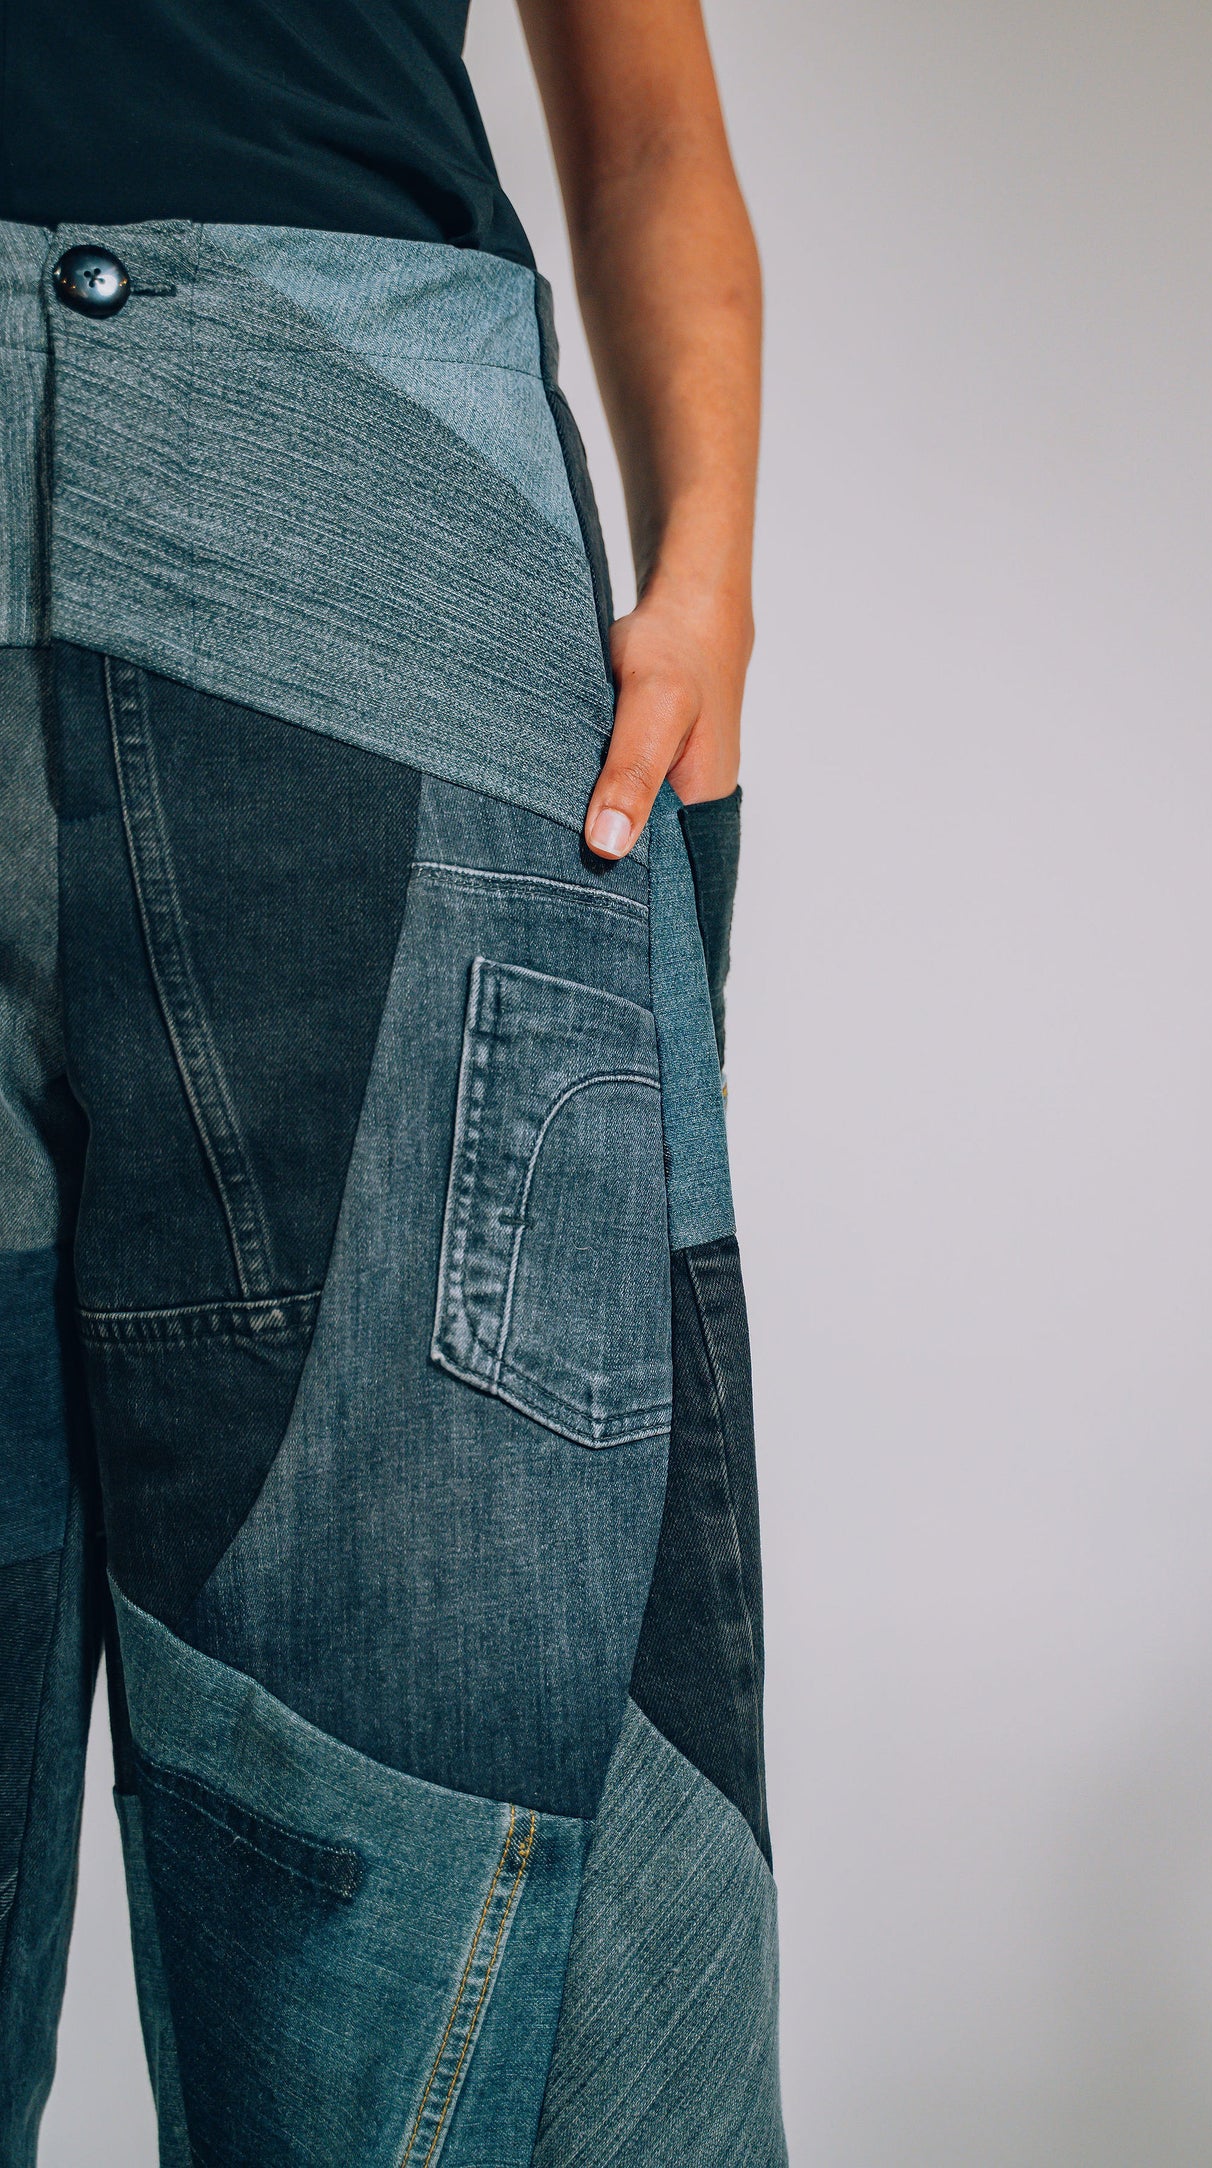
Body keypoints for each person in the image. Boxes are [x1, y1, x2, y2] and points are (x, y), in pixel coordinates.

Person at [0, 2, 782, 2161]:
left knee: (443, 1938)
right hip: (381, 569)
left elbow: (645, 120)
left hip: (362, 567)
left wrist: (706, 579)